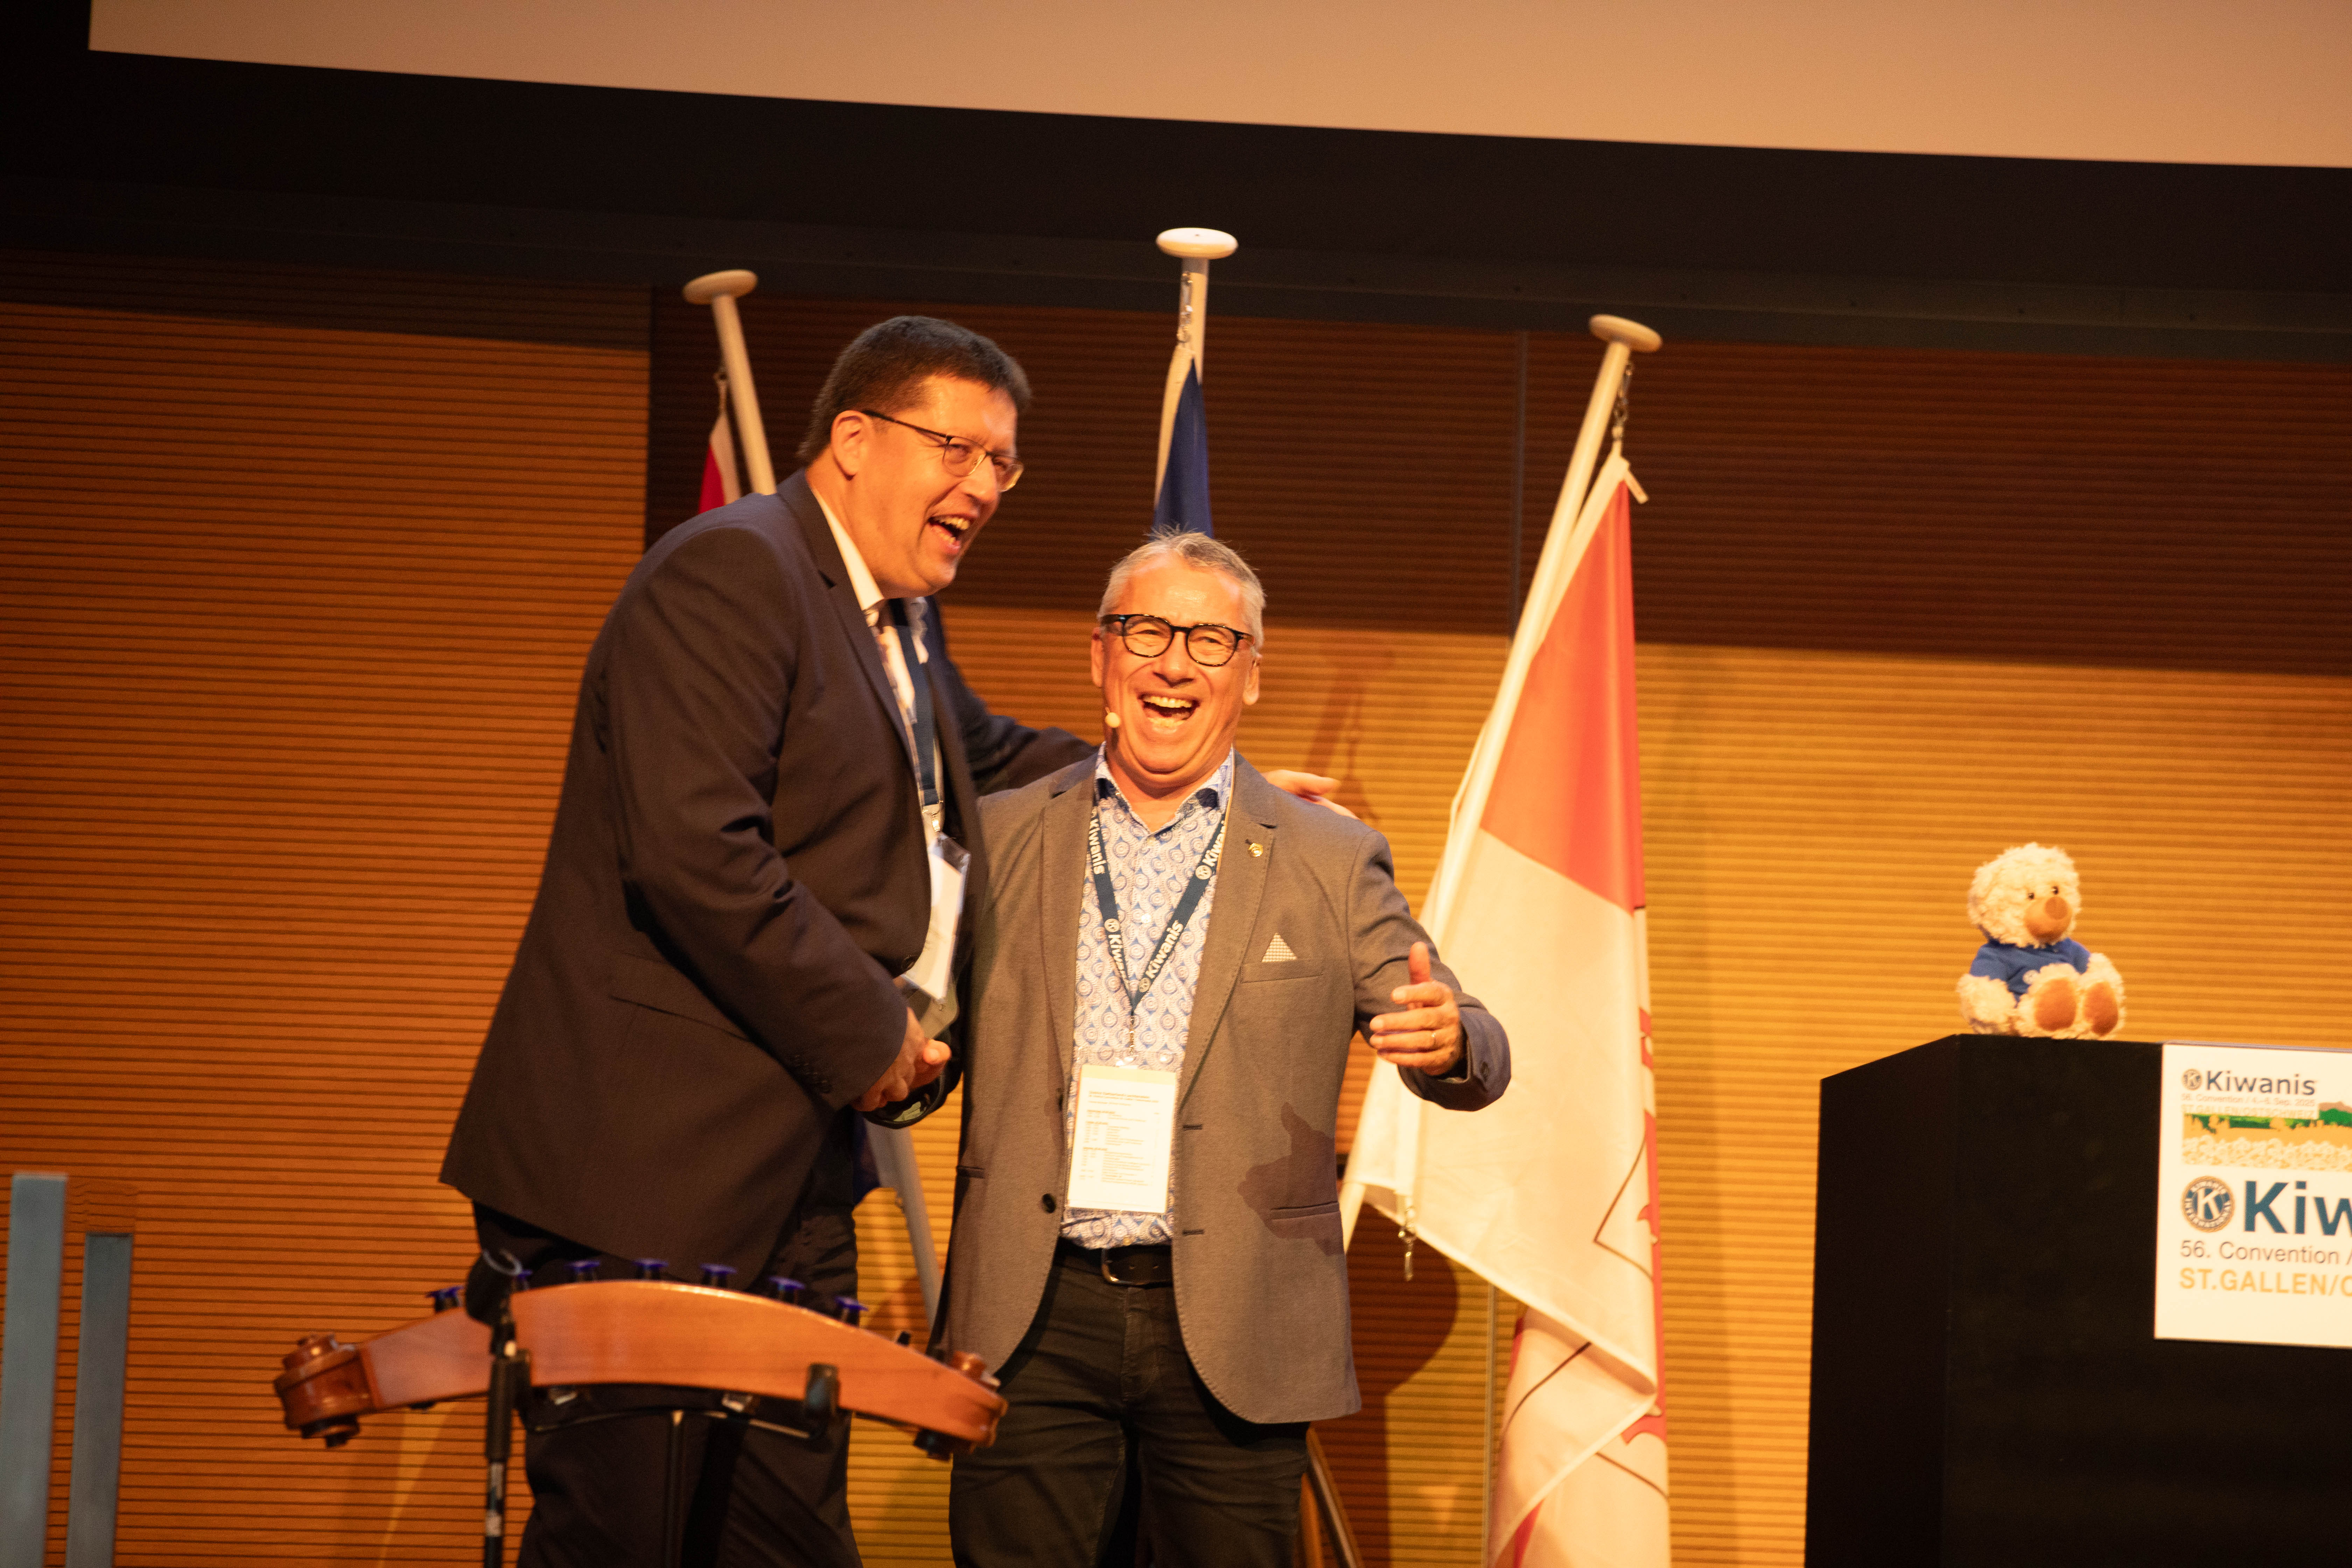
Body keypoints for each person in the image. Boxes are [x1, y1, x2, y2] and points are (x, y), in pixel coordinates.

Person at [438, 315, 1093, 1565]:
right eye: (958, 449)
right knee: (623, 1542)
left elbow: (990, 763)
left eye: (1005, 463)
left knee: (788, 1544)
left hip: (789, 1179)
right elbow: (698, 852)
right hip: (639, 1176)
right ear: (853, 439)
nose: (983, 487)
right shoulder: (734, 571)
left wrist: (1168, 779)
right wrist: (873, 1034)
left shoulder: (898, 619)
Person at [916, 529, 1511, 1567]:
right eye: (1147, 630)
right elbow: (920, 1039)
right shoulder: (1000, 836)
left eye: (1210, 640)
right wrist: (896, 1072)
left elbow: (1465, 1034)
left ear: (1251, 673)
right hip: (1032, 1312)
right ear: (1101, 655)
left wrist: (1453, 1040)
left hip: (1239, 1317)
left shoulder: (1329, 856)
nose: (1175, 663)